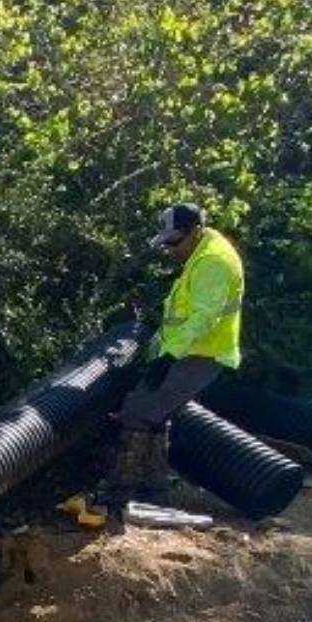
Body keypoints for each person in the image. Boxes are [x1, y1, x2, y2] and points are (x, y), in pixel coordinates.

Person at [98, 202, 244, 516]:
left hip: (200, 354)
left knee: (138, 411)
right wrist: (155, 351)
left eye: (174, 242)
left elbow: (204, 318)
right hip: (187, 350)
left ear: (195, 231)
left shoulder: (213, 262)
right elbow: (182, 317)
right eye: (166, 243)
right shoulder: (203, 252)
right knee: (155, 414)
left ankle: (118, 493)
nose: (170, 250)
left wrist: (167, 358)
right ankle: (154, 490)